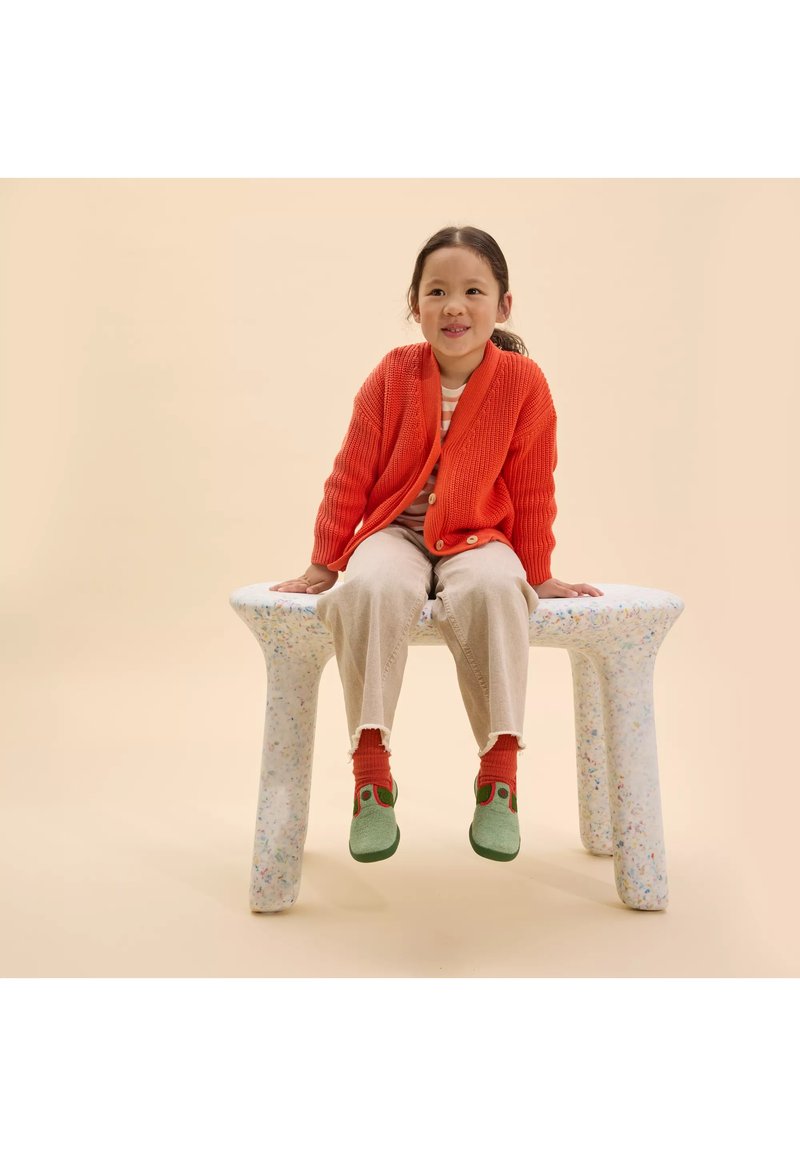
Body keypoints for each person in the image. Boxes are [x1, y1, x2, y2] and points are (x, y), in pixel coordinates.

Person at [270, 224, 602, 866]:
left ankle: (499, 774)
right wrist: (323, 561)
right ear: (415, 304)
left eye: (473, 291)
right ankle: (372, 774)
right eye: (437, 291)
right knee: (371, 585)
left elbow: (533, 484)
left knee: (498, 587)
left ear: (503, 305)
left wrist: (538, 572)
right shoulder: (393, 375)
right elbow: (352, 471)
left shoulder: (524, 384)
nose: (455, 306)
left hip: (479, 535)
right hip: (394, 529)